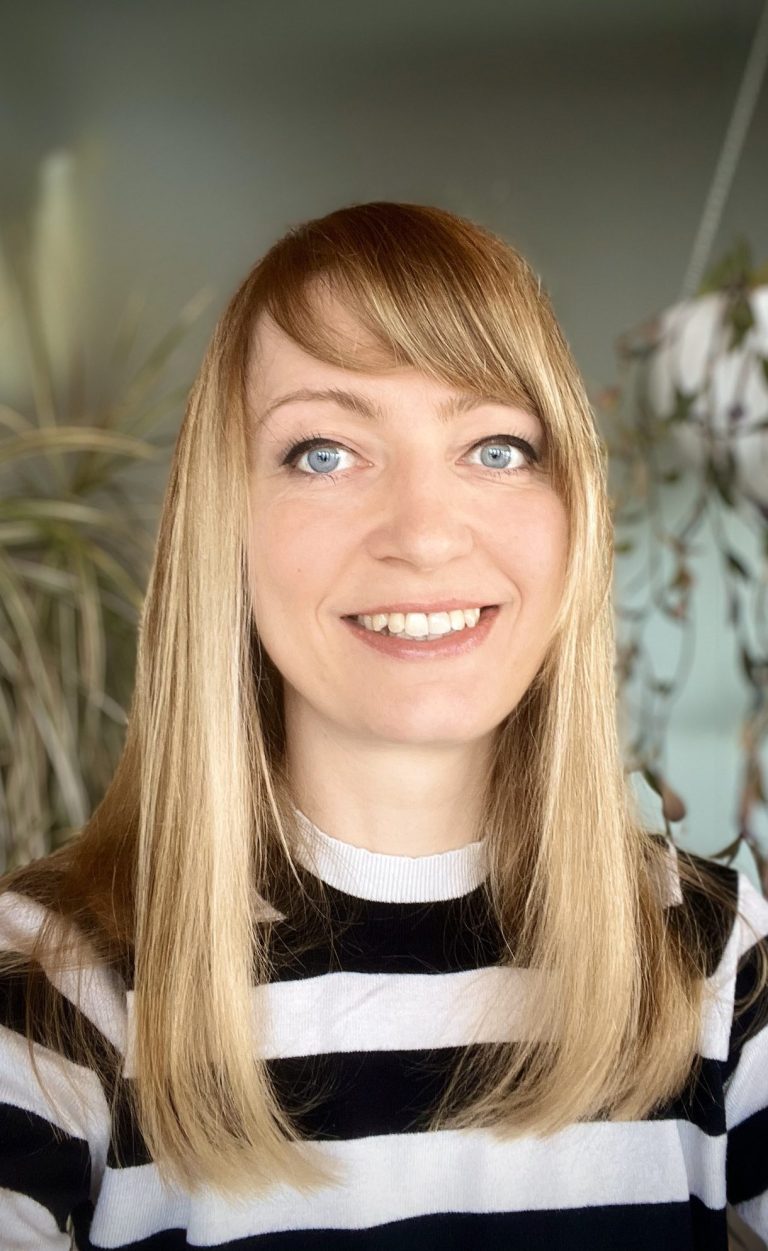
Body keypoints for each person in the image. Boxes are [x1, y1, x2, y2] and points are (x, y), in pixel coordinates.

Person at [0, 200, 767, 1251]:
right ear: (226, 524)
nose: (423, 535)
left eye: (497, 448)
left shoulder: (716, 963)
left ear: (574, 513)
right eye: (323, 452)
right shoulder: (48, 987)